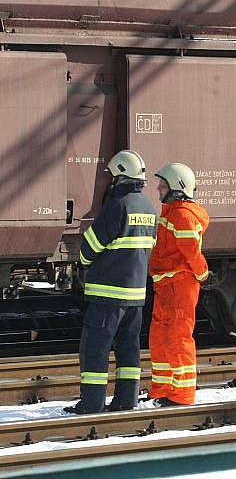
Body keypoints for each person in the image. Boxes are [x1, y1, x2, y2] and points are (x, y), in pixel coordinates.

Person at [66, 150, 157, 414]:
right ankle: (127, 400)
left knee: (96, 348)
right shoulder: (149, 208)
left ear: (120, 176)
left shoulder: (118, 206)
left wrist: (84, 259)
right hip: (136, 295)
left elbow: (90, 248)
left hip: (108, 295)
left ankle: (92, 403)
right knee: (129, 349)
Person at [148, 163, 210, 406]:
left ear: (176, 187)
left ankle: (182, 394)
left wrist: (202, 273)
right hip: (166, 283)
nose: (158, 189)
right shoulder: (172, 212)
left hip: (179, 284)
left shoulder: (182, 215)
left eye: (162, 185)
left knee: (178, 336)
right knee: (160, 336)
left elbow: (191, 252)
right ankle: (163, 388)